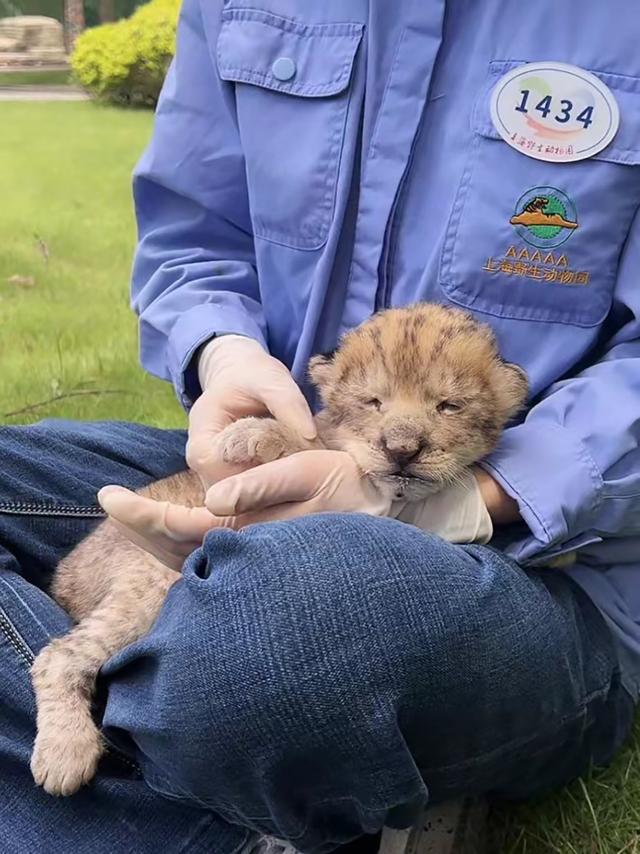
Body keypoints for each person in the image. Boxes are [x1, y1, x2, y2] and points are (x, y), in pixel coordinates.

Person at [2, 1, 640, 852]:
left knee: (288, 629)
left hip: (546, 558)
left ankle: (196, 719)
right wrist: (223, 355)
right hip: (291, 460)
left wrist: (482, 496)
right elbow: (193, 238)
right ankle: (229, 785)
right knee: (236, 638)